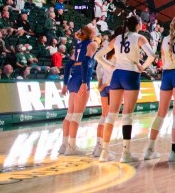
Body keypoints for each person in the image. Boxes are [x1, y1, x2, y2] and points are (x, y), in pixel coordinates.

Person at [102, 15, 155, 162]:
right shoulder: (139, 38)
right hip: (131, 74)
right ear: (138, 25)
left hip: (117, 74)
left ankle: (104, 152)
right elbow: (152, 55)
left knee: (111, 114)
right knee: (127, 116)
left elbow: (98, 56)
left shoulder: (118, 38)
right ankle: (126, 154)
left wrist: (110, 66)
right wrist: (142, 67)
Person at [144, 16, 175, 162]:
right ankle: (174, 151)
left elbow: (163, 59)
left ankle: (149, 149)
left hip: (166, 74)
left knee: (161, 113)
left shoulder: (165, 39)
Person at [58, 24, 98, 156]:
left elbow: (68, 65)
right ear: (91, 33)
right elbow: (86, 62)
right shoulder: (92, 44)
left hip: (73, 79)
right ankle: (72, 147)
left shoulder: (78, 46)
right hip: (81, 78)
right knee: (76, 115)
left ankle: (64, 145)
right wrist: (85, 82)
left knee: (69, 114)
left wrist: (65, 84)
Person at [92, 35, 116, 160]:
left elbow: (98, 70)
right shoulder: (116, 55)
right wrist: (105, 83)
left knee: (103, 115)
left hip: (103, 87)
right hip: (111, 86)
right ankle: (104, 149)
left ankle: (98, 145)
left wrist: (100, 83)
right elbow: (114, 72)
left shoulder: (103, 56)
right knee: (109, 117)